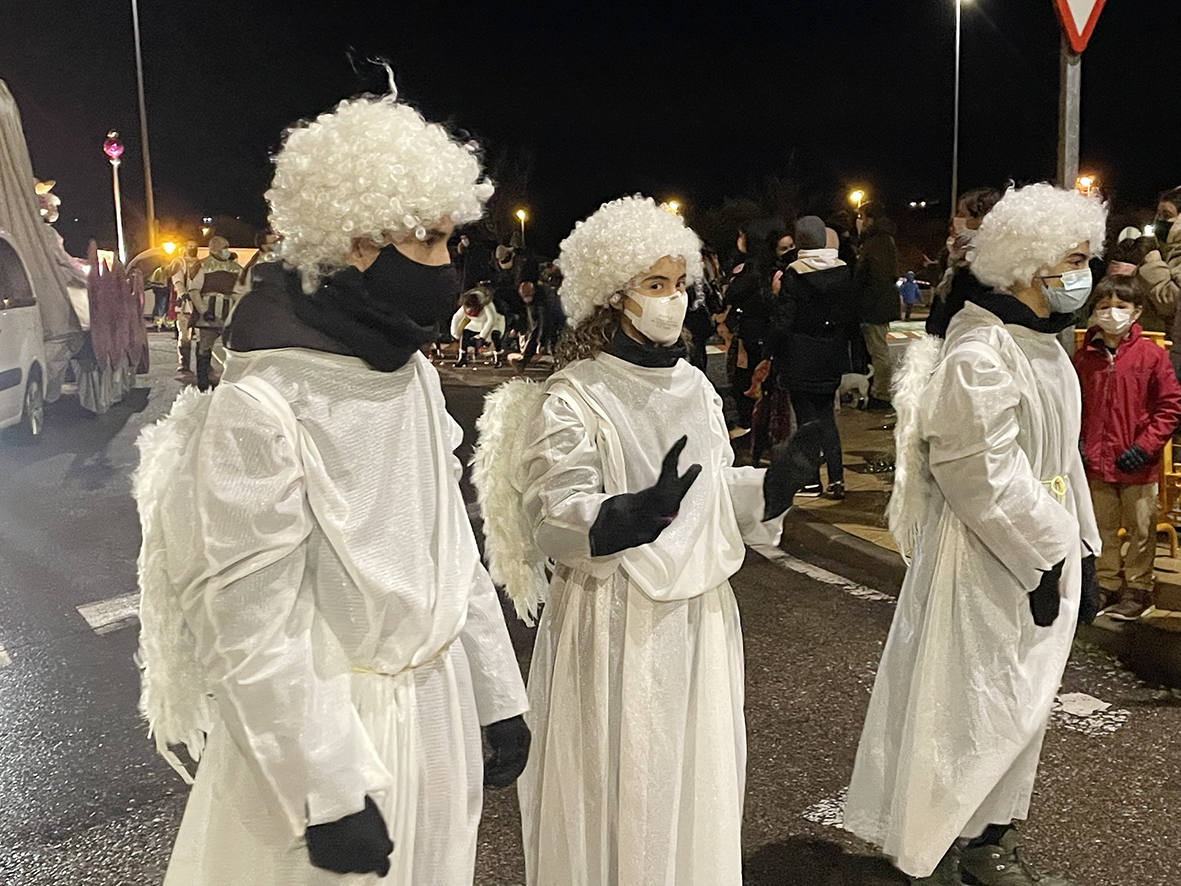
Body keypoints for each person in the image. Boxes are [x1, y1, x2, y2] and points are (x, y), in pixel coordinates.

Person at [136, 81, 529, 886]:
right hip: (336, 735)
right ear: (355, 240)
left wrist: (497, 690)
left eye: (450, 241)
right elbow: (247, 617)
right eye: (426, 240)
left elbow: (447, 536)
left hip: (436, 713)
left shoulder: (408, 371)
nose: (446, 268)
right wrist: (326, 788)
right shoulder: (265, 399)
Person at [472, 195, 820, 886]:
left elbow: (711, 489)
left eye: (679, 284)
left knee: (694, 781)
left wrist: (768, 488)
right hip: (613, 618)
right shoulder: (576, 393)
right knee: (620, 785)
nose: (672, 300)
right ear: (612, 295)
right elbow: (553, 511)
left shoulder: (693, 385)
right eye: (654, 285)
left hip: (698, 619)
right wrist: (618, 517)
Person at [844, 183, 1107, 886]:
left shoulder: (1043, 346)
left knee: (1017, 700)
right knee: (977, 700)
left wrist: (1083, 550)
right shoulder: (980, 352)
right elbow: (977, 472)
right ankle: (957, 841)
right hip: (987, 555)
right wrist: (1044, 556)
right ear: (1024, 261)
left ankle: (991, 837)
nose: (1083, 275)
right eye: (1071, 258)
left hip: (1036, 547)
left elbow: (1059, 461)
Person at [1074, 274, 1181, 620]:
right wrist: (1079, 443)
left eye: (1121, 306)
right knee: (1101, 526)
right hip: (1096, 460)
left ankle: (1138, 587)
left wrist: (1146, 446)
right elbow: (1073, 405)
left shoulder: (1150, 356)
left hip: (1138, 461)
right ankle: (1106, 584)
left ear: (1136, 312)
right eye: (1104, 306)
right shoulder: (1084, 358)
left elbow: (1169, 406)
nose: (1112, 313)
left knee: (1140, 529)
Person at [770, 215, 857, 500]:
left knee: (807, 422)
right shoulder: (843, 271)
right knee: (827, 418)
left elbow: (784, 321)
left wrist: (776, 296)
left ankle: (810, 482)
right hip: (831, 355)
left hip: (800, 355)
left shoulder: (793, 274)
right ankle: (837, 479)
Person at [724, 217, 783, 445]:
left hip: (753, 334)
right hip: (762, 333)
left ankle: (753, 428)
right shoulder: (769, 266)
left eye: (741, 235)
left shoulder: (753, 269)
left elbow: (732, 294)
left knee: (748, 381)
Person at [926, 188, 1003, 336]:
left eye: (962, 214)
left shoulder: (985, 267)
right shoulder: (956, 257)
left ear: (981, 219)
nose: (956, 219)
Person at [854, 202, 900, 410]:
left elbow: (871, 275)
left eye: (862, 216)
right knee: (877, 349)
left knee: (878, 351)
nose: (860, 221)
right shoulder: (884, 239)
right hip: (878, 302)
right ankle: (878, 390)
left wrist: (862, 301)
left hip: (874, 304)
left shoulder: (876, 241)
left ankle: (881, 394)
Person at [185, 236, 242, 391]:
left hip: (228, 313)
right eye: (224, 247)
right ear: (214, 248)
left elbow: (238, 291)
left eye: (227, 247)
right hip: (208, 314)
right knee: (205, 347)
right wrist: (204, 311)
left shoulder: (235, 268)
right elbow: (194, 290)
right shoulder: (202, 265)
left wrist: (239, 310)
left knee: (233, 348)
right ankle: (203, 381)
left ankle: (230, 380)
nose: (226, 250)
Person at [1140, 186, 1181, 375]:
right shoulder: (1167, 248)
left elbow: (1171, 301)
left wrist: (1154, 265)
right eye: (1158, 214)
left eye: (1167, 215)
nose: (1160, 221)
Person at [450, 283, 506, 367]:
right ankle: (462, 358)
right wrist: (455, 333)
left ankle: (498, 359)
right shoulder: (467, 304)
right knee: (465, 333)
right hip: (476, 323)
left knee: (495, 335)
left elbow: (491, 320)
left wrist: (482, 336)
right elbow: (457, 317)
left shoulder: (487, 305)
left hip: (495, 323)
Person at [169, 240, 201, 375]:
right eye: (190, 246)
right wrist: (183, 293)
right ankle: (184, 363)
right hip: (185, 305)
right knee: (184, 336)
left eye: (195, 246)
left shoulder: (202, 263)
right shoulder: (179, 262)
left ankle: (204, 364)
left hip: (200, 304)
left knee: (202, 336)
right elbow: (177, 280)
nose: (192, 248)